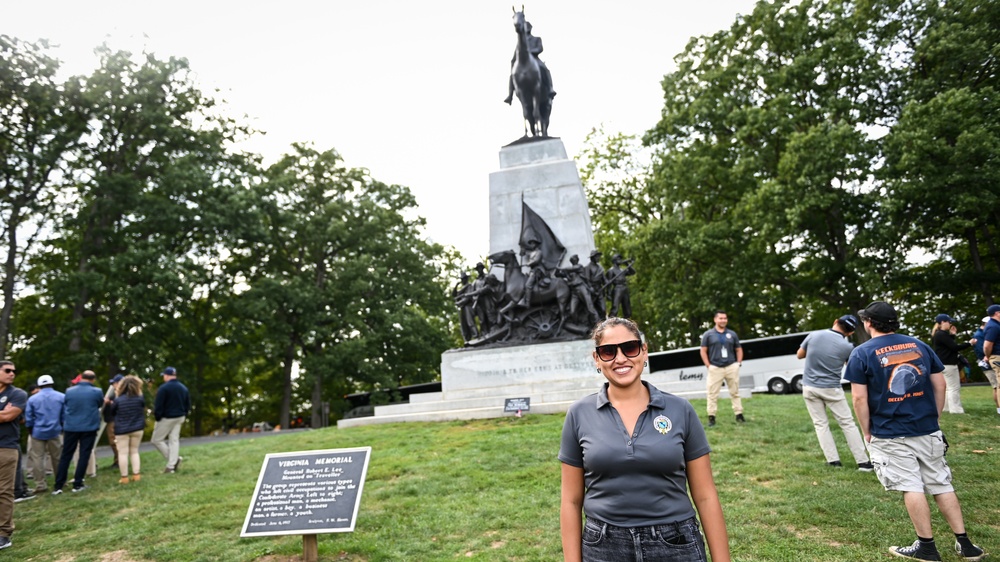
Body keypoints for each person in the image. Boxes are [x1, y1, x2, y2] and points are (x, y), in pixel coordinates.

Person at [559, 317, 730, 562]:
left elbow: (705, 495)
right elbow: (571, 501)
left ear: (644, 350)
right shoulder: (579, 414)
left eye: (629, 347)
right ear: (597, 359)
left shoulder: (680, 409)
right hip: (604, 547)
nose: (620, 359)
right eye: (608, 351)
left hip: (676, 543)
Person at [845, 301, 985, 561]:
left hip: (889, 431)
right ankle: (967, 546)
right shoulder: (919, 345)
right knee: (941, 483)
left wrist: (867, 431)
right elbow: (939, 384)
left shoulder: (862, 352)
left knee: (911, 486)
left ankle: (927, 548)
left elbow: (859, 399)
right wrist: (935, 417)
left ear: (868, 323)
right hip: (926, 427)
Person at [796, 315, 873, 470]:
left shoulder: (814, 335)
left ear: (835, 321)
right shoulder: (848, 347)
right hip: (831, 388)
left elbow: (799, 355)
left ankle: (833, 461)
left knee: (820, 424)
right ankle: (863, 462)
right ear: (850, 333)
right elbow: (850, 367)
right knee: (847, 424)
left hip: (809, 387)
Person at [52, 370, 103, 494]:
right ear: (93, 379)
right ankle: (78, 483)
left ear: (81, 378)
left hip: (71, 427)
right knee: (84, 455)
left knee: (66, 455)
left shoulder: (69, 391)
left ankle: (59, 485)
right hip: (89, 427)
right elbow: (99, 404)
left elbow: (67, 405)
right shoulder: (97, 392)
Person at [700, 310, 745, 426]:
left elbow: (738, 349)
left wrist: (738, 363)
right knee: (712, 393)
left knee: (735, 392)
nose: (723, 320)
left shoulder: (732, 334)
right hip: (715, 367)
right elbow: (703, 351)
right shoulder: (708, 334)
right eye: (721, 318)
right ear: (715, 319)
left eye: (725, 318)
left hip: (731, 366)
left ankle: (739, 414)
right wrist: (708, 365)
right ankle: (711, 417)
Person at [0, 361, 27, 551]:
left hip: (6, 447)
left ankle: (3, 533)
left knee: (4, 491)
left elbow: (7, 417)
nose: (12, 374)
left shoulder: (17, 394)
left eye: (14, 371)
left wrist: (4, 413)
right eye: (7, 370)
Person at [24, 374, 64, 494]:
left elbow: (29, 417)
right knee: (57, 458)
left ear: (39, 385)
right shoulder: (61, 396)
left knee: (37, 458)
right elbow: (64, 415)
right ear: (52, 383)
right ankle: (61, 481)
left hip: (38, 431)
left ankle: (40, 484)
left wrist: (30, 430)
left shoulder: (33, 399)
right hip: (55, 430)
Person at [504, 19, 555, 105]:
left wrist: (530, 52)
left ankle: (550, 88)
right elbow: (516, 53)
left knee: (545, 69)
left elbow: (540, 48)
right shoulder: (520, 43)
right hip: (522, 62)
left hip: (535, 59)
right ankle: (510, 95)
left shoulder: (536, 39)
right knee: (512, 75)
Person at [930, 314, 973, 414]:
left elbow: (948, 345)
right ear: (942, 322)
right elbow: (954, 347)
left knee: (947, 388)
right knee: (953, 387)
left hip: (942, 364)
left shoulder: (937, 334)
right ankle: (956, 409)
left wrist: (952, 335)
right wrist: (969, 343)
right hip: (949, 364)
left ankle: (946, 407)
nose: (950, 324)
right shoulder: (942, 334)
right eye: (949, 322)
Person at [108, 375, 145, 484]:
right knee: (134, 452)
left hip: (122, 430)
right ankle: (136, 475)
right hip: (138, 428)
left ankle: (124, 477)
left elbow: (112, 412)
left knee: (123, 453)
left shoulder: (118, 400)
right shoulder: (140, 398)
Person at [152, 366, 190, 473]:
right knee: (174, 440)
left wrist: (158, 417)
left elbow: (159, 405)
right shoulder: (183, 388)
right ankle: (171, 465)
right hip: (180, 417)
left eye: (164, 375)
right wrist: (184, 413)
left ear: (167, 375)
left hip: (167, 417)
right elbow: (188, 405)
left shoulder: (163, 388)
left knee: (156, 440)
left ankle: (173, 461)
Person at [555, 254, 600, 326]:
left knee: (590, 308)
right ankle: (578, 326)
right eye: (572, 259)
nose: (573, 260)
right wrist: (558, 263)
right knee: (572, 312)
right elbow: (557, 274)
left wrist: (559, 267)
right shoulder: (568, 271)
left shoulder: (579, 267)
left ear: (577, 260)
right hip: (574, 292)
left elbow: (569, 269)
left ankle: (599, 325)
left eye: (575, 259)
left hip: (582, 288)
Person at [971, 316, 999, 414]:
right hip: (987, 363)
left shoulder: (984, 333)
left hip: (989, 361)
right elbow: (982, 351)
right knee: (996, 386)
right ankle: (998, 409)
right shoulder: (979, 335)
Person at [100, 373, 124, 469]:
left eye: (114, 383)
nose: (113, 385)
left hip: (114, 420)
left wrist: (108, 402)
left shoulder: (120, 393)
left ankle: (118, 461)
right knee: (114, 441)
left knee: (114, 441)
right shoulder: (115, 392)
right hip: (111, 419)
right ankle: (118, 460)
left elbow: (120, 405)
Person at [604, 254, 635, 318]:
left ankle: (627, 322)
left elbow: (633, 272)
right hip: (617, 288)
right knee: (615, 308)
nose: (620, 260)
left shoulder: (622, 270)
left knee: (627, 308)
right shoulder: (611, 270)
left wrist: (627, 264)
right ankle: (611, 321)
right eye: (619, 259)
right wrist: (608, 294)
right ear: (614, 260)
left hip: (624, 288)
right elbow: (609, 283)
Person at [982, 304, 1000, 415]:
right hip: (997, 356)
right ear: (997, 313)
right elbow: (987, 346)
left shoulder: (996, 325)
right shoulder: (993, 326)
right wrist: (989, 356)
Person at [584, 250, 606, 319]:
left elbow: (604, 279)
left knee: (603, 309)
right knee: (592, 310)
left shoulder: (600, 268)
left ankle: (603, 326)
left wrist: (607, 282)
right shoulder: (588, 267)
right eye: (597, 257)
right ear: (593, 257)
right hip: (592, 291)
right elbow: (587, 280)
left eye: (599, 256)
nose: (598, 258)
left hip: (599, 289)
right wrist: (590, 288)